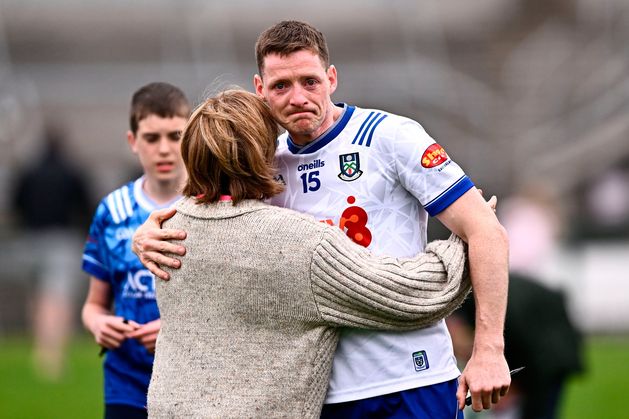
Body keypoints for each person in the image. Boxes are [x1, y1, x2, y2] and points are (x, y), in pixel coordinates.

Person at [133, 21, 510, 416]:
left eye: (309, 82)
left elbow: (486, 231)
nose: (298, 97)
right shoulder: (261, 161)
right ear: (260, 89)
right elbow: (206, 223)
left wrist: (489, 350)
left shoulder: (391, 136)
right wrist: (145, 233)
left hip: (410, 375)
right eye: (281, 86)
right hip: (316, 394)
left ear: (331, 78)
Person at [81, 82, 190, 419]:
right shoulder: (111, 211)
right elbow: (94, 304)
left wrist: (176, 330)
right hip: (125, 382)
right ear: (133, 142)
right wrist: (99, 324)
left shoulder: (207, 205)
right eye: (152, 138)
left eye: (175, 136)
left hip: (192, 379)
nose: (164, 149)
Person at [11, 126, 92, 380]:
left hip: (29, 239)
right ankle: (52, 355)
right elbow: (86, 206)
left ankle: (40, 347)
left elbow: (16, 204)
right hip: (62, 241)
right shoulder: (71, 171)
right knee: (56, 299)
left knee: (37, 298)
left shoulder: (28, 171)